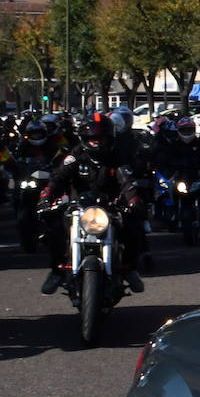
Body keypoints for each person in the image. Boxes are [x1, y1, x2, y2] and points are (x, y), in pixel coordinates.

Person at [39, 111, 146, 295]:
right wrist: (46, 196)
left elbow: (126, 180)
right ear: (84, 138)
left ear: (109, 138)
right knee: (54, 228)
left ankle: (129, 269)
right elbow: (58, 178)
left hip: (109, 208)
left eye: (101, 138)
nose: (97, 141)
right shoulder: (75, 157)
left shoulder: (116, 157)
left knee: (133, 228)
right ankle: (56, 272)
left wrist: (134, 200)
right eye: (93, 138)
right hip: (77, 208)